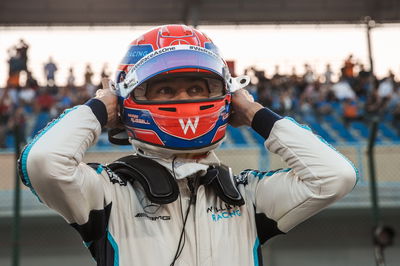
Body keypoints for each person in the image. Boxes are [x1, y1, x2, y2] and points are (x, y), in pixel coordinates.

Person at [18, 25, 358, 266]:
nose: (184, 99)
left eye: (197, 88)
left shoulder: (246, 196)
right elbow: (43, 162)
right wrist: (100, 107)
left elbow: (335, 177)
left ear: (227, 95)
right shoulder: (107, 193)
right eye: (165, 90)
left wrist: (253, 111)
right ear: (127, 99)